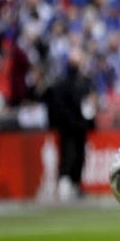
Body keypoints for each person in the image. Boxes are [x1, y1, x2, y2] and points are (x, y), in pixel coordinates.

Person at [47, 47, 98, 202]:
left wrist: (89, 121)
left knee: (80, 156)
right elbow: (58, 106)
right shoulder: (63, 84)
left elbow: (90, 104)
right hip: (68, 126)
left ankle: (75, 184)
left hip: (80, 126)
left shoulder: (86, 82)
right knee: (68, 154)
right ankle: (64, 185)